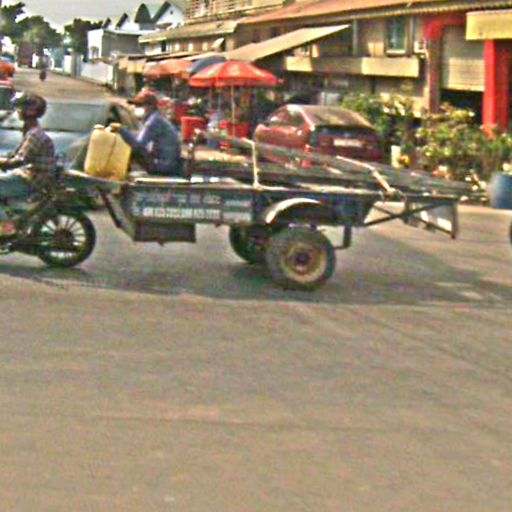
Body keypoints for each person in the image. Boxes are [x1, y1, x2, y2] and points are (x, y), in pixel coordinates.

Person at [0, 92, 56, 233]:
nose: (18, 112)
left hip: (31, 179)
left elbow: (18, 161)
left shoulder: (34, 134)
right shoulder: (30, 131)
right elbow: (15, 154)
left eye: (21, 108)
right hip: (28, 175)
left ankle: (6, 229)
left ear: (30, 111)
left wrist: (3, 163)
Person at [113, 90, 182, 177]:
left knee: (132, 147)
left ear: (151, 106)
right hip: (168, 164)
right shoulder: (156, 118)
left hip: (163, 166)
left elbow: (138, 145)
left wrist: (121, 130)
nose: (136, 108)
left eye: (140, 105)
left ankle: (120, 173)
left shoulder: (154, 121)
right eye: (136, 105)